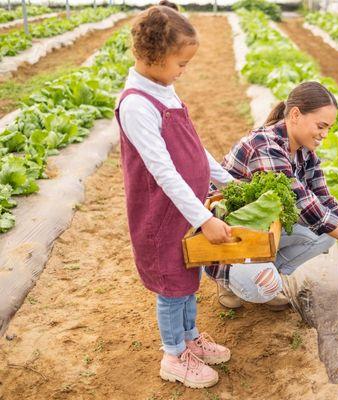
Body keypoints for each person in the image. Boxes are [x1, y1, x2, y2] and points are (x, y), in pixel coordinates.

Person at [115, 1, 235, 389]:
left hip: (184, 208)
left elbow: (194, 150)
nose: (183, 71)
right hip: (160, 213)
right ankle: (172, 354)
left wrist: (229, 182)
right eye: (180, 64)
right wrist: (205, 218)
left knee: (188, 275)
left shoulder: (165, 90)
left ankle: (189, 337)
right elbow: (163, 170)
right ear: (153, 57)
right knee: (171, 284)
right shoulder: (136, 103)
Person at [205, 82, 338, 310]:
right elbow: (306, 207)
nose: (324, 134)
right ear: (295, 114)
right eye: (321, 126)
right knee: (264, 286)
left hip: (264, 227)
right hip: (230, 235)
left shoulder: (305, 151)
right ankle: (231, 281)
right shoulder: (265, 147)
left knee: (327, 235)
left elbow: (326, 201)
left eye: (329, 129)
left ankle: (267, 274)